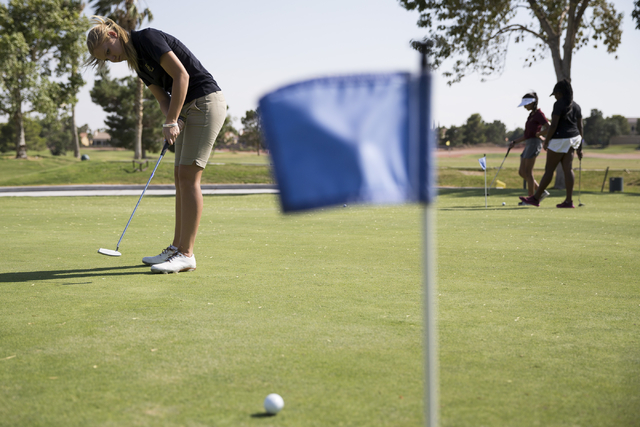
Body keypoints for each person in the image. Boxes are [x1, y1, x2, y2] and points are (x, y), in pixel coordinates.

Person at [86, 17, 227, 272]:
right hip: (186, 110)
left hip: (205, 102)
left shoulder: (147, 39)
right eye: (105, 59)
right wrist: (169, 121)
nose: (111, 58)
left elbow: (181, 76)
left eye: (108, 51)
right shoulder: (137, 63)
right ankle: (176, 248)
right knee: (179, 177)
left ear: (113, 34)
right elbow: (162, 97)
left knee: (188, 177)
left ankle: (187, 254)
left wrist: (173, 119)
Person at [520, 79, 583, 208]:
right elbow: (580, 127)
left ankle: (536, 198)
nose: (555, 97)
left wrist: (546, 141)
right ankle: (569, 201)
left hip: (560, 139)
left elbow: (553, 125)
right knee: (568, 169)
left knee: (549, 170)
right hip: (573, 139)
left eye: (555, 94)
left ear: (560, 93)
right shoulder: (576, 106)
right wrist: (580, 148)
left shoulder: (558, 104)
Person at [508, 92, 549, 205]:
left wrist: (540, 134)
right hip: (529, 143)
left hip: (534, 144)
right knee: (522, 172)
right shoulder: (531, 115)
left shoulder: (539, 114)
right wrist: (515, 142)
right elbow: (527, 135)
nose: (525, 106)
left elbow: (549, 127)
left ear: (533, 103)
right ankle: (540, 191)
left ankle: (531, 198)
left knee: (528, 172)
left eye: (526, 104)